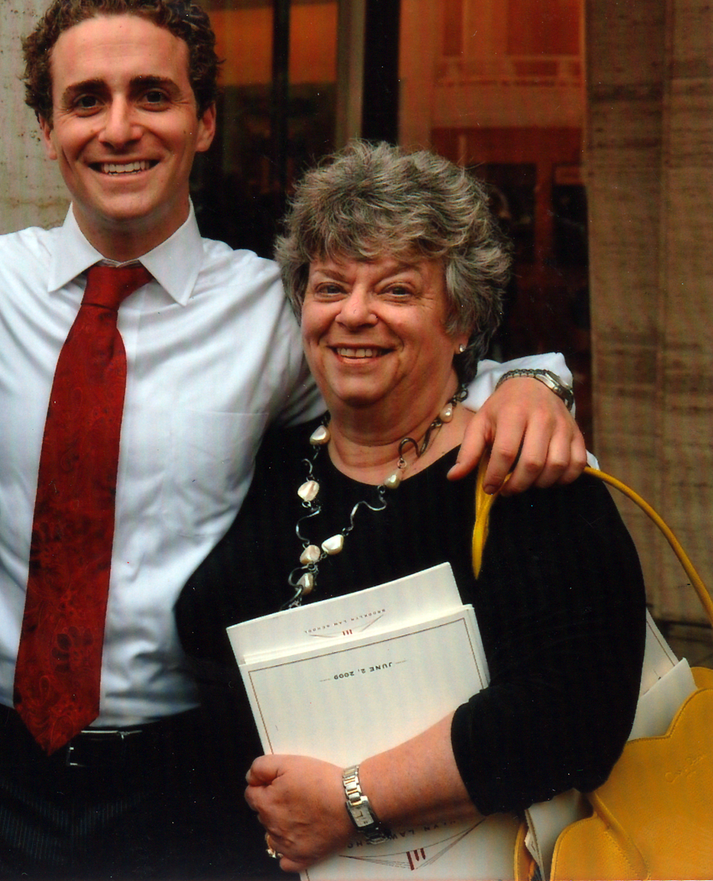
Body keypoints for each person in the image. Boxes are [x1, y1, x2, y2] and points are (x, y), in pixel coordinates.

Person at [0, 0, 585, 878]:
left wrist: (530, 381)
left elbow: (406, 366)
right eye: (86, 99)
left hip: (183, 783)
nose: (120, 126)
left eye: (153, 95)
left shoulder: (272, 311)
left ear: (204, 119)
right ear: (49, 130)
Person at [176, 141, 645, 874]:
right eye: (330, 287)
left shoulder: (524, 475)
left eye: (396, 290)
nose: (353, 314)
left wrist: (350, 800)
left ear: (461, 323)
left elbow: (575, 712)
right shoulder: (276, 456)